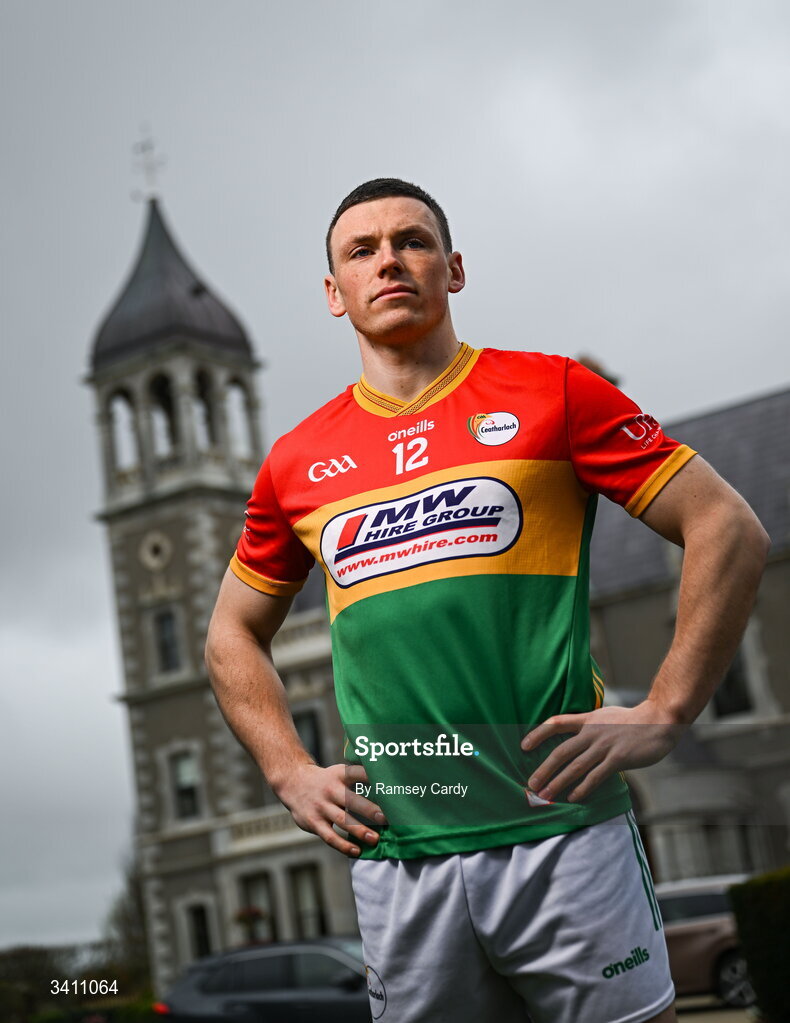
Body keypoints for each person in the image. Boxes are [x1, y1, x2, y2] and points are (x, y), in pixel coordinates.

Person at [206, 178, 769, 1022]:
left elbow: (726, 524)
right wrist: (288, 770)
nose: (388, 260)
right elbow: (230, 634)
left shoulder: (555, 391)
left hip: (564, 833)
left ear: (454, 269)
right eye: (362, 250)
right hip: (400, 854)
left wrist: (668, 708)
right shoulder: (295, 462)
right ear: (334, 292)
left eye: (412, 241)